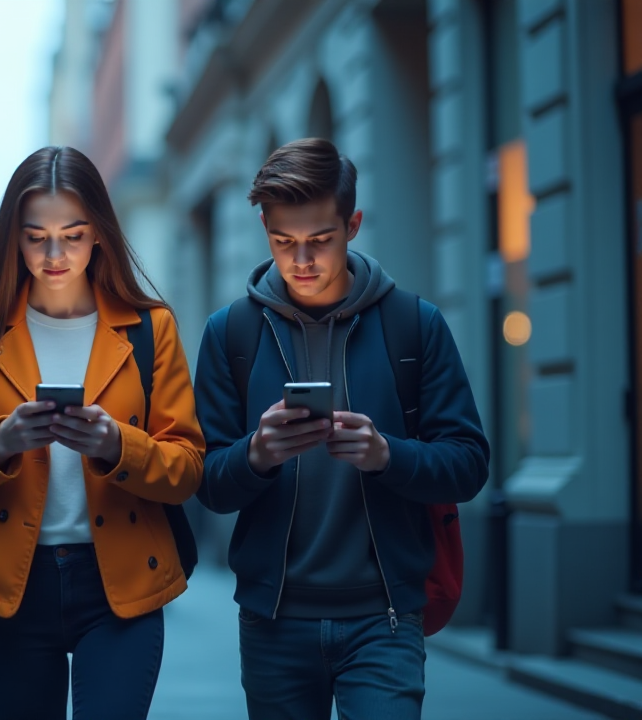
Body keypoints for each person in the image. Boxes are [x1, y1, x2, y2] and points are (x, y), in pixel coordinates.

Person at [193, 138, 490, 720]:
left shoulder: (414, 325)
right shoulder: (231, 334)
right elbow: (204, 482)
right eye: (283, 242)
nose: (302, 260)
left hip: (385, 619)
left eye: (320, 241)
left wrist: (387, 455)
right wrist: (256, 455)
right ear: (264, 227)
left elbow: (469, 462)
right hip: (273, 620)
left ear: (352, 225)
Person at [0, 146, 205, 720]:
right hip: (12, 588)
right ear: (13, 238)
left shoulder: (151, 328)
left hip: (120, 583)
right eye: (36, 237)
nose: (54, 254)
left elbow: (188, 468)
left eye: (72, 235)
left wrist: (115, 445)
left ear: (99, 233)